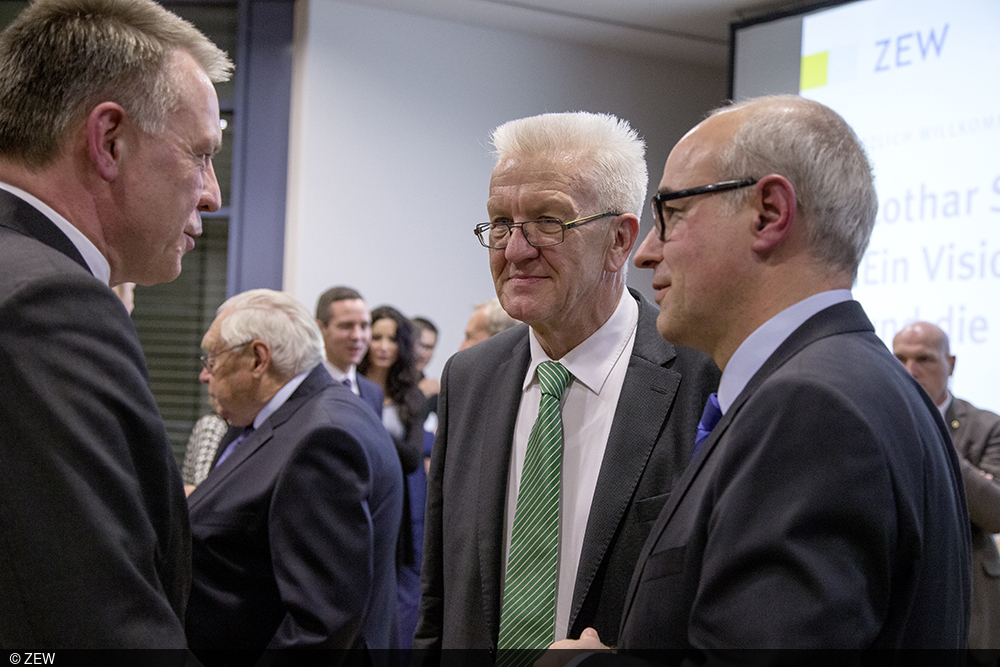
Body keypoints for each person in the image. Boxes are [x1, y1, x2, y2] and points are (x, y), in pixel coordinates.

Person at [549, 95, 970, 659]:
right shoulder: (871, 386)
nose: (646, 253)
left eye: (671, 213)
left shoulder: (810, 409)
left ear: (769, 213)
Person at [414, 111, 720, 657]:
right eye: (500, 223)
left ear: (620, 240)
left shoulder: (704, 378)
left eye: (548, 222)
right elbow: (439, 606)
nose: (514, 250)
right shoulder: (470, 378)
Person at [0, 0, 231, 647]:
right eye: (201, 154)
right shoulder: (47, 304)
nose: (212, 193)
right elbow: (97, 625)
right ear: (109, 140)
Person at [186, 289, 403, 659]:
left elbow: (322, 622)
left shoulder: (321, 438)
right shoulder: (297, 417)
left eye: (213, 357)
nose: (205, 374)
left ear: (257, 359)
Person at [893, 321, 1000, 652]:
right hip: (899, 598)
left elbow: (995, 512)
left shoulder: (986, 426)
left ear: (950, 364)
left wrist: (932, 434)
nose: (910, 370)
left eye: (924, 359)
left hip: (967, 606)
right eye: (899, 358)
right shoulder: (881, 422)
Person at [359, 305, 427, 649]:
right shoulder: (349, 388)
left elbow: (413, 458)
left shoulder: (411, 397)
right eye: (377, 337)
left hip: (393, 505)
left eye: (391, 339)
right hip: (354, 497)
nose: (384, 346)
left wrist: (362, 424)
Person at [315, 285, 384, 416]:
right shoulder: (302, 388)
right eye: (346, 326)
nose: (357, 336)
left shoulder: (373, 393)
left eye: (364, 326)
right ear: (320, 329)